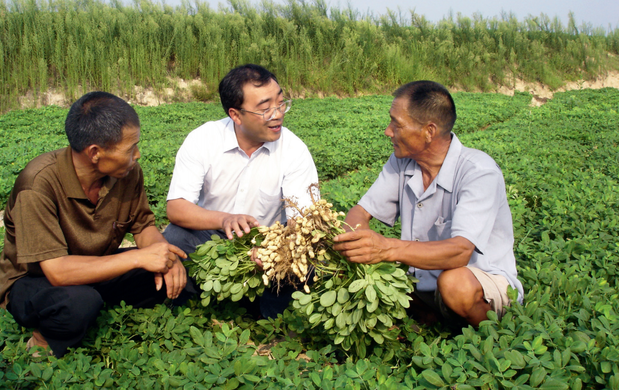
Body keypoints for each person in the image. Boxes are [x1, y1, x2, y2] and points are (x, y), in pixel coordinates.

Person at [0, 92, 190, 357]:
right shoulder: (38, 184)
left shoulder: (127, 172)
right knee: (77, 303)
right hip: (36, 281)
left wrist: (164, 256)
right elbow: (58, 272)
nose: (138, 154)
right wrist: (138, 258)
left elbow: (143, 226)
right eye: (129, 148)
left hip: (99, 267)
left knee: (178, 274)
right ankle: (42, 340)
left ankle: (99, 306)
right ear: (95, 153)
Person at [333, 81, 523, 328]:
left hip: (482, 282)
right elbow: (361, 211)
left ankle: (493, 339)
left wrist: (386, 249)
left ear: (429, 131)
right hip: (423, 285)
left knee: (454, 284)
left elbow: (460, 252)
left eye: (396, 124)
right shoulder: (403, 161)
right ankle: (431, 319)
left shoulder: (478, 172)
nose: (388, 131)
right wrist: (351, 243)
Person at [163, 64, 319, 318]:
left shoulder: (293, 150)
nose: (277, 114)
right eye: (265, 108)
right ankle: (188, 309)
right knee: (176, 238)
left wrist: (274, 249)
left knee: (311, 255)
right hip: (212, 238)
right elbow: (176, 207)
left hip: (269, 244)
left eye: (281, 103)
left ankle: (269, 317)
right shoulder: (203, 140)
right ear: (236, 115)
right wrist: (224, 219)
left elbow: (302, 223)